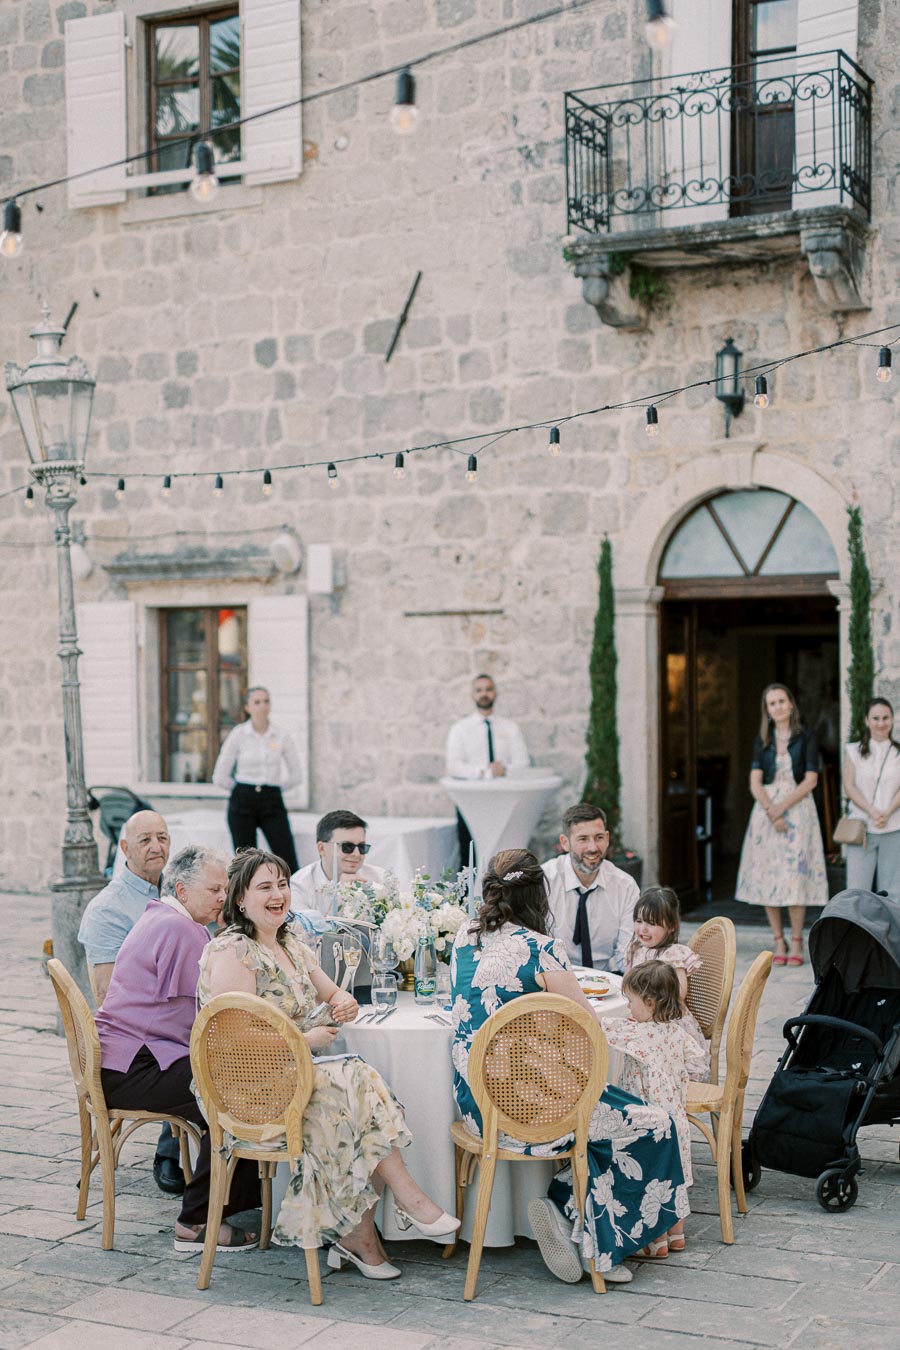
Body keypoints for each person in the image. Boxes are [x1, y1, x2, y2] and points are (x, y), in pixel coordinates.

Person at [199, 848, 459, 1279]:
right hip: (248, 1089)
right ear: (240, 899)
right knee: (353, 1080)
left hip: (296, 1079)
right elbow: (234, 1039)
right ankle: (406, 1206)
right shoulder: (233, 951)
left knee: (352, 1096)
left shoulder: (290, 944)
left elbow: (333, 993)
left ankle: (363, 1238)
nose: (278, 894)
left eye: (282, 884)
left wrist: (344, 1003)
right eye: (265, 887)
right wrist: (306, 1039)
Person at [451, 849, 687, 1287]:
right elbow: (587, 1030)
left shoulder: (464, 937)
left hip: (477, 1104)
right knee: (655, 1123)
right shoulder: (542, 949)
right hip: (534, 1109)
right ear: (538, 894)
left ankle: (570, 1215)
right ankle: (589, 1235)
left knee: (607, 1114)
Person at [96, 845, 263, 1252]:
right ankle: (197, 1220)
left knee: (234, 1081)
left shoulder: (161, 915)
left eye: (226, 889)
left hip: (121, 1059)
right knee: (236, 1093)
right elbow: (212, 1011)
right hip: (133, 1067)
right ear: (183, 889)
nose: (223, 898)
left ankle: (233, 1199)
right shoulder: (183, 929)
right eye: (215, 889)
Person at [77, 809, 184, 1196]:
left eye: (163, 837)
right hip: (137, 1040)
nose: (157, 847)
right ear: (124, 848)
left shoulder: (176, 890)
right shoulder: (109, 909)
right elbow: (107, 996)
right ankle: (173, 1150)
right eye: (145, 840)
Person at [600, 963, 706, 1259]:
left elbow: (601, 1027)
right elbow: (698, 1064)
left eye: (630, 1001)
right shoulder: (677, 1033)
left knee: (652, 1179)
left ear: (649, 1003)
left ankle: (656, 1240)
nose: (628, 1008)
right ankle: (677, 1236)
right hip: (676, 1117)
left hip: (648, 1121)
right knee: (677, 1178)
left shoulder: (636, 1034)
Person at [735, 683, 827, 966]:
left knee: (795, 876)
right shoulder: (763, 739)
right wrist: (771, 811)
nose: (777, 707)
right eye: (772, 703)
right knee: (769, 875)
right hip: (766, 812)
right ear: (768, 710)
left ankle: (797, 938)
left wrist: (781, 809)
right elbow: (754, 781)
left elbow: (811, 779)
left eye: (781, 701)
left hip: (798, 810)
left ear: (791, 704)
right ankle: (778, 939)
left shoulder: (806, 736)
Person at [212, 686, 302, 874]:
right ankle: (245, 901)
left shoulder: (281, 735)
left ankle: (293, 900)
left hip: (272, 800)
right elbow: (220, 775)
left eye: (266, 701)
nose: (262, 706)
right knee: (246, 863)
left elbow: (296, 774)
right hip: (242, 800)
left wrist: (274, 789)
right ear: (247, 707)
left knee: (287, 858)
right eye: (257, 702)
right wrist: (240, 789)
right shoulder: (238, 735)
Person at [625, 886, 710, 1079]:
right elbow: (628, 983)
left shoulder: (672, 954)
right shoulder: (635, 949)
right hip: (643, 1018)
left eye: (652, 923)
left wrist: (650, 995)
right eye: (639, 921)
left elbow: (678, 993)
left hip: (667, 1024)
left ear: (671, 927)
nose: (643, 929)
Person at [542, 802, 637, 972]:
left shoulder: (625, 886)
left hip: (608, 978)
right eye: (583, 839)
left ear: (607, 839)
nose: (593, 848)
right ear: (565, 842)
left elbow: (626, 953)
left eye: (599, 837)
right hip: (554, 979)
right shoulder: (544, 882)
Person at [445, 674, 530, 864]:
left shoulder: (510, 727)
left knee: (504, 854)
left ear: (495, 692)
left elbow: (523, 764)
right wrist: (484, 772)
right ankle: (469, 893)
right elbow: (454, 766)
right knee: (470, 856)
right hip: (471, 801)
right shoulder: (460, 729)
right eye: (479, 690)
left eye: (488, 689)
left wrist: (504, 770)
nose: (484, 694)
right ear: (472, 695)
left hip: (503, 800)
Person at [842, 697, 900, 896]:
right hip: (862, 828)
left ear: (892, 719)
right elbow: (849, 785)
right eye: (875, 718)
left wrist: (888, 811)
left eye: (885, 718)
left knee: (891, 892)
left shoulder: (898, 752)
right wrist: (872, 811)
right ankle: (857, 928)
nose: (881, 723)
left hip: (893, 827)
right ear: (867, 720)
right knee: (857, 891)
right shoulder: (853, 751)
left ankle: (889, 929)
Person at [289, 810, 386, 919]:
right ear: (321, 848)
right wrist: (340, 897)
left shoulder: (380, 877)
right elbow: (305, 934)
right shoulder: (298, 886)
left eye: (362, 847)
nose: (356, 854)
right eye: (347, 847)